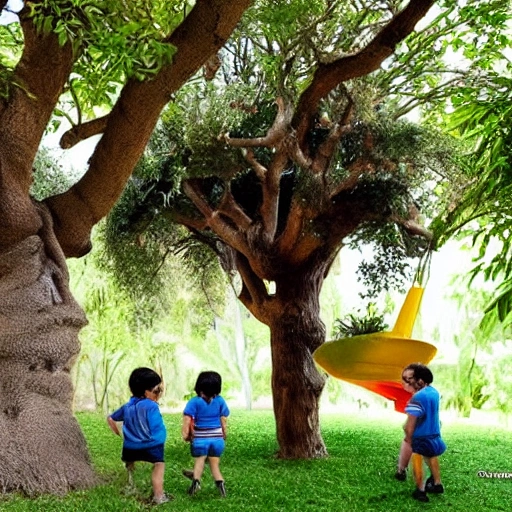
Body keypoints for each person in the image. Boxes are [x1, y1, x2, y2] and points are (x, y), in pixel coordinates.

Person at [107, 367, 170, 505]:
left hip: (129, 447)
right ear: (146, 391)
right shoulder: (151, 406)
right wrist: (161, 438)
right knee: (159, 465)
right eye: (156, 390)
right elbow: (156, 426)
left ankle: (131, 485)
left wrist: (121, 435)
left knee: (130, 464)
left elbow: (111, 419)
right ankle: (159, 496)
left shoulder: (127, 406)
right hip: (152, 446)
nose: (158, 394)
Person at [402, 363, 446, 503]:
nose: (408, 383)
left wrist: (408, 436)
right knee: (431, 456)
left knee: (417, 460)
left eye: (411, 379)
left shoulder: (417, 398)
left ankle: (420, 490)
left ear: (420, 381)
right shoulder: (435, 393)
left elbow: (411, 423)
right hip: (435, 435)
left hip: (421, 436)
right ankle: (437, 484)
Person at [182, 370, 230, 497]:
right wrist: (224, 434)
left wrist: (186, 434)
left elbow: (187, 419)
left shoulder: (194, 402)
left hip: (200, 440)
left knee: (200, 460)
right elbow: (223, 419)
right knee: (214, 465)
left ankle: (196, 482)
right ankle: (221, 487)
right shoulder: (220, 401)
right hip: (217, 440)